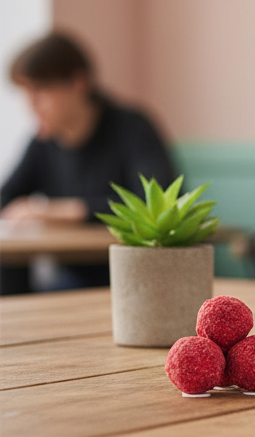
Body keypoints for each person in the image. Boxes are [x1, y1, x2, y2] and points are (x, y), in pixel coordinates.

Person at [0, 31, 177, 291]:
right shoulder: (43, 141)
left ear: (78, 83)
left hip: (137, 280)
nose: (32, 105)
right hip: (73, 278)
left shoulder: (132, 128)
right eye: (26, 93)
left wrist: (59, 211)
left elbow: (155, 203)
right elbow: (7, 198)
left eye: (41, 91)